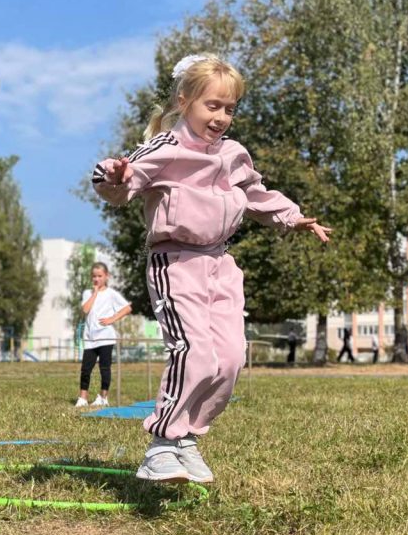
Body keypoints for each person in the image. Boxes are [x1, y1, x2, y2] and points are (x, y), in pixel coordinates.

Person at [92, 53, 331, 483]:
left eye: (230, 108)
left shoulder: (235, 154)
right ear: (184, 102)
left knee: (230, 359)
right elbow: (122, 184)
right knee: (196, 353)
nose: (221, 117)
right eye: (212, 106)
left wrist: (292, 217)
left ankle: (187, 438)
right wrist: (111, 175)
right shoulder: (166, 147)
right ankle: (162, 443)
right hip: (175, 260)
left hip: (220, 264)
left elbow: (257, 194)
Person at [75, 262, 131, 408]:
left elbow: (127, 308)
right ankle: (83, 398)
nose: (96, 279)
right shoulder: (87, 293)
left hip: (106, 337)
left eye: (100, 276)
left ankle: (103, 397)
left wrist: (112, 319)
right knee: (86, 368)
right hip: (90, 338)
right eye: (94, 276)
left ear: (106, 276)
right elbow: (86, 310)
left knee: (104, 368)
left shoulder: (111, 294)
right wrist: (95, 293)